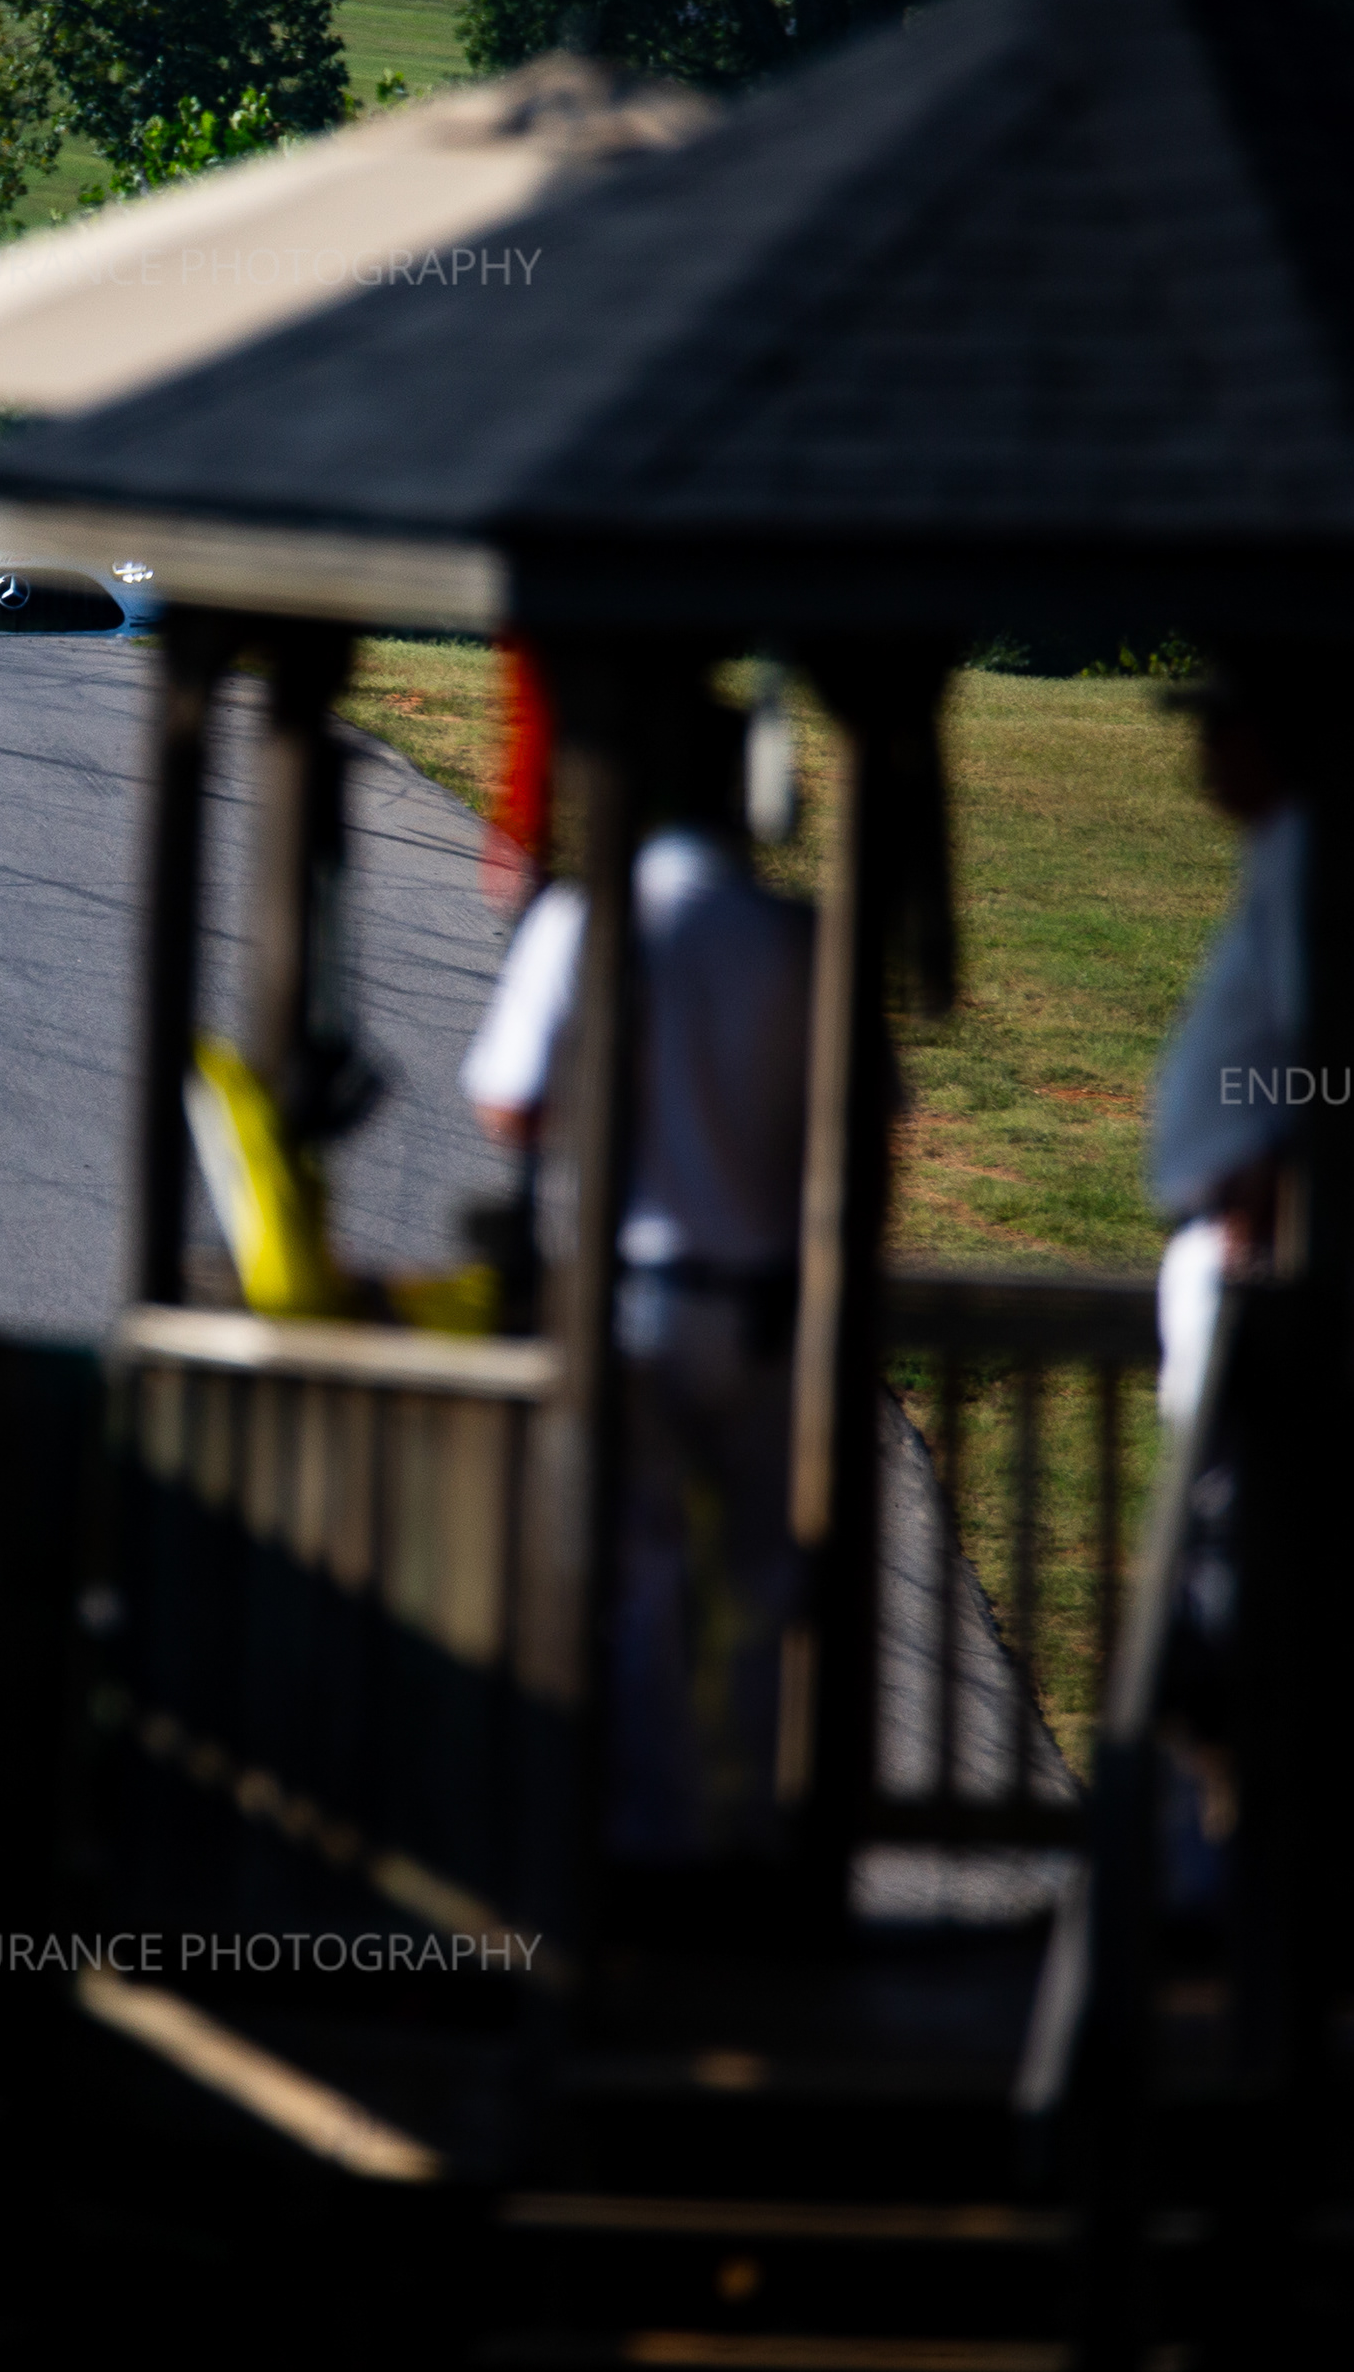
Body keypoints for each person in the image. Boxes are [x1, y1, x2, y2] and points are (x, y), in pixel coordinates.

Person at [458, 701, 814, 1859]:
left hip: (640, 1295)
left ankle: (642, 1840)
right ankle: (748, 1839)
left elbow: (507, 1100)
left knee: (636, 1575)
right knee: (760, 1585)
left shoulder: (591, 916)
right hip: (768, 1309)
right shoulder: (792, 933)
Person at [1146, 678, 1354, 1421]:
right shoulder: (1326, 842)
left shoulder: (1314, 845)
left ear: (1278, 735)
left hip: (1286, 1259)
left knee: (1260, 1481)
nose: (1205, 748)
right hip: (1303, 1251)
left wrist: (1276, 1202)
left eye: (1224, 724)